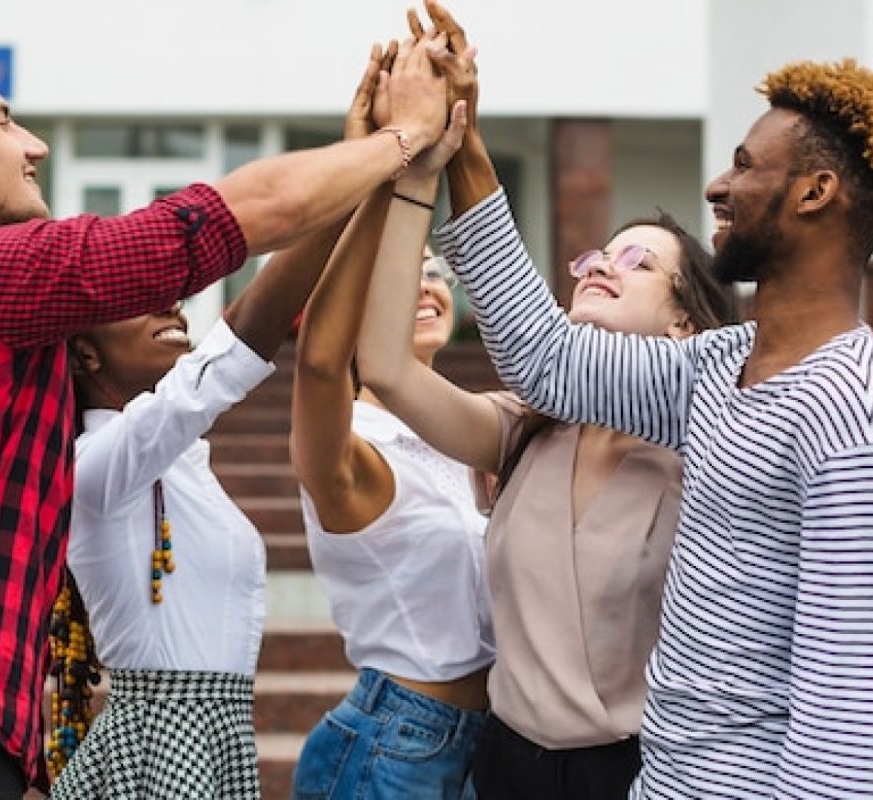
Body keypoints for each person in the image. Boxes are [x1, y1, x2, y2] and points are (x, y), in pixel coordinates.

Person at [0, 22, 452, 799]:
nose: (34, 146)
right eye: (3, 121)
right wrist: (406, 135)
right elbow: (213, 222)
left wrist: (357, 160)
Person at [425, 4, 873, 794]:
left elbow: (857, 727)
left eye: (744, 164)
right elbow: (546, 359)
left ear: (815, 192)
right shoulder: (722, 363)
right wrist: (465, 137)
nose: (717, 185)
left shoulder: (854, 415)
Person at [44, 47, 412, 800]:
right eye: (137, 295)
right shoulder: (97, 462)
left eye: (169, 291)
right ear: (82, 351)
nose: (170, 303)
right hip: (157, 748)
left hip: (214, 732)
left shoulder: (180, 462)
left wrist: (359, 180)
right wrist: (361, 160)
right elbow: (239, 344)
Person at [357, 61, 735, 793]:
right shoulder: (527, 428)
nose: (601, 266)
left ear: (686, 317)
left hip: (632, 773)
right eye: (595, 255)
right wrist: (417, 177)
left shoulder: (708, 449)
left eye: (637, 261)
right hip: (502, 767)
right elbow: (387, 368)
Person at [288, 34, 492, 800]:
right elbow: (316, 362)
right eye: (408, 272)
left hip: (488, 742)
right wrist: (379, 164)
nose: (428, 283)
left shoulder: (457, 438)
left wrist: (457, 122)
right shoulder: (353, 443)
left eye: (437, 273)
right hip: (391, 750)